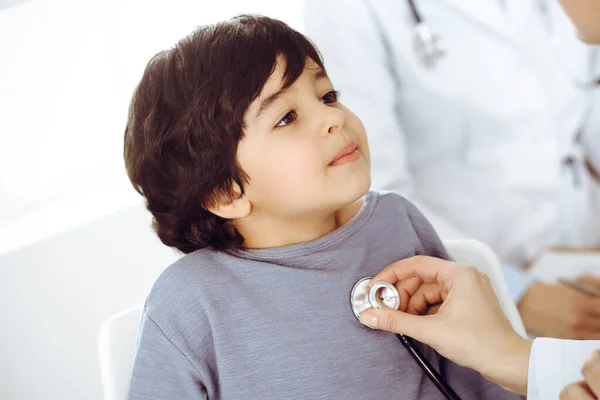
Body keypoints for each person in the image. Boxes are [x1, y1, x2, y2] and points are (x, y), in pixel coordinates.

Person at [123, 15, 520, 400]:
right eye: (287, 118)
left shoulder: (397, 223)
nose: (332, 116)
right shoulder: (191, 301)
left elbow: (480, 379)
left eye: (328, 95)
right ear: (225, 193)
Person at [304, 0, 600, 339]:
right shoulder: (346, 10)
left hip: (586, 248)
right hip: (476, 281)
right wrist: (514, 292)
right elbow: (369, 184)